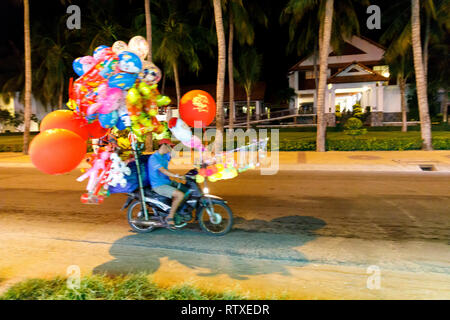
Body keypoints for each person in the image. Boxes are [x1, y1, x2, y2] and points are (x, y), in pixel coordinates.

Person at [148, 139, 185, 229]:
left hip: (166, 182)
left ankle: (180, 212)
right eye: (169, 146)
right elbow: (163, 171)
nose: (170, 148)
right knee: (180, 195)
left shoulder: (164, 156)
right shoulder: (154, 158)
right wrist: (176, 176)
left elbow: (175, 156)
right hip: (159, 185)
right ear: (163, 146)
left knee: (186, 188)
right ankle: (170, 217)